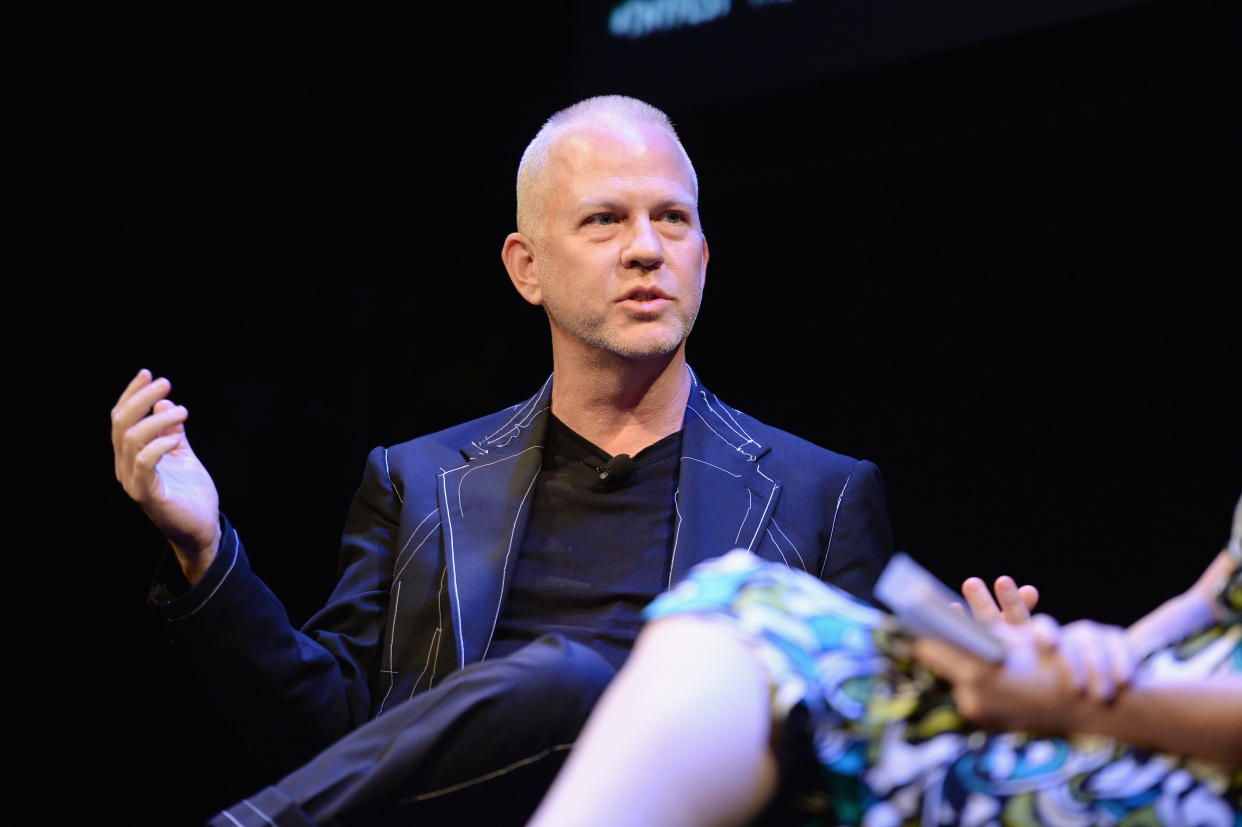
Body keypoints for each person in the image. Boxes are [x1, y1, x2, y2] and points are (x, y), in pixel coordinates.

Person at [109, 94, 895, 826]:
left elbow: (854, 766)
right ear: (527, 267)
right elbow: (336, 747)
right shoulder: (414, 480)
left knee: (573, 681)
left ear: (704, 255)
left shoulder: (820, 494)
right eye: (604, 220)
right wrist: (204, 553)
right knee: (560, 679)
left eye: (673, 219)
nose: (647, 249)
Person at [526, 495, 1242, 826]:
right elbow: (1215, 594)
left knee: (749, 603)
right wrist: (1093, 656)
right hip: (1139, 702)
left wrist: (1073, 703)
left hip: (1193, 761)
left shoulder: (827, 482)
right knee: (740, 605)